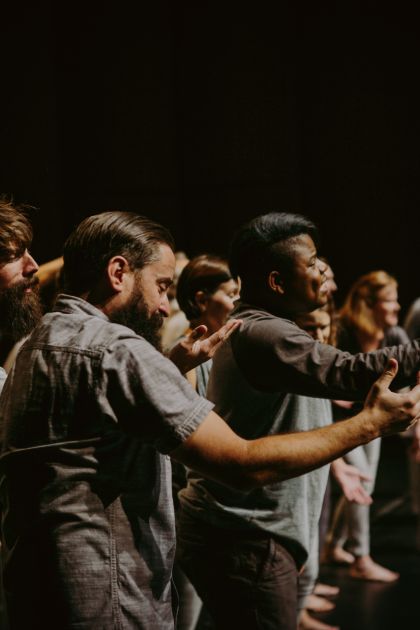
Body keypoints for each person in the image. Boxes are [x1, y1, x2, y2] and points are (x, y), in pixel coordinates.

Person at [0, 211, 418, 630]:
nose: (165, 306)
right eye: (162, 286)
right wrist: (371, 423)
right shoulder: (118, 351)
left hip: (40, 592)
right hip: (107, 596)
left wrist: (164, 366)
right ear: (118, 273)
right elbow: (240, 463)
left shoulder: (36, 343)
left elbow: (88, 434)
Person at [176, 211, 420, 630]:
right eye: (311, 262)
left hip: (244, 534)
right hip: (247, 537)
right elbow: (355, 373)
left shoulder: (268, 328)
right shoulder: (263, 332)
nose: (322, 269)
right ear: (276, 282)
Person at [325, 271, 409, 581]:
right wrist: (335, 396)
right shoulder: (343, 329)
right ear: (369, 304)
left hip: (371, 418)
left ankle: (334, 545)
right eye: (390, 301)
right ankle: (361, 558)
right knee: (360, 481)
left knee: (362, 485)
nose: (397, 307)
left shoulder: (394, 335)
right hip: (339, 421)